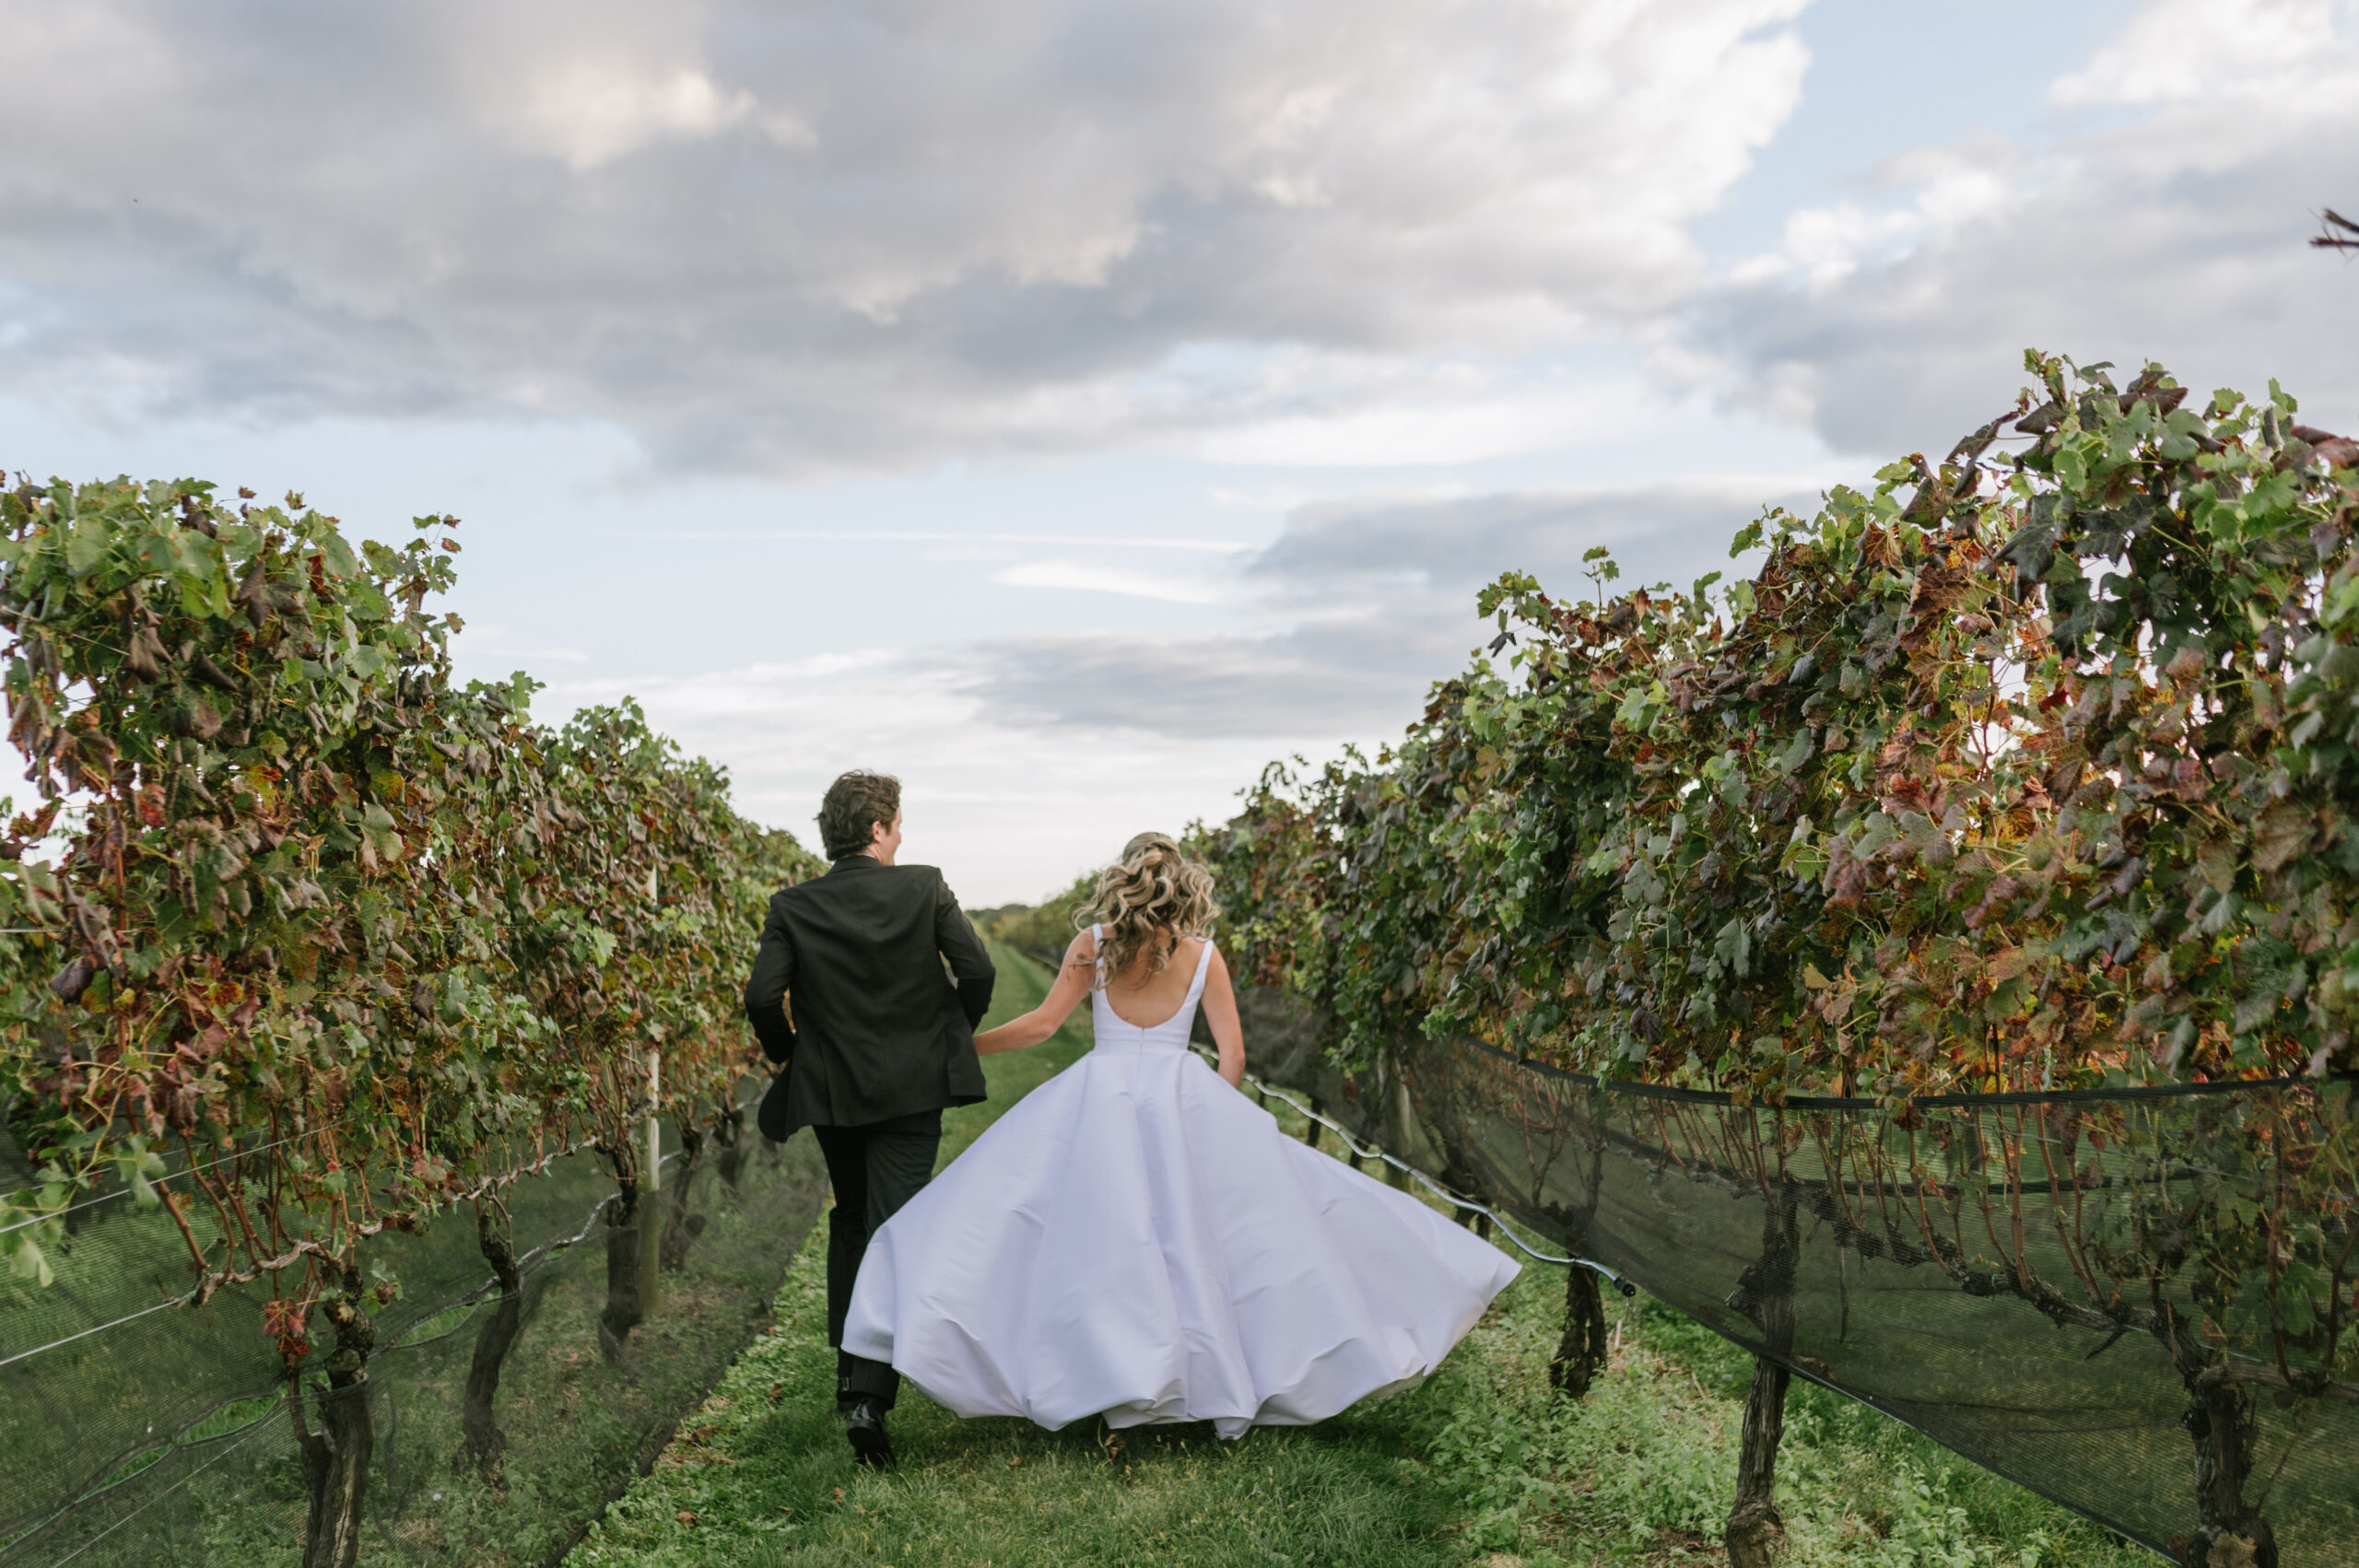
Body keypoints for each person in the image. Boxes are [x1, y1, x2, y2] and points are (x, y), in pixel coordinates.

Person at [840, 832, 1518, 1444]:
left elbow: (1043, 1027)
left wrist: (957, 1051)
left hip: (1099, 1095)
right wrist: (1211, 1123)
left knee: (1085, 1238)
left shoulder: (1094, 946)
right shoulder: (1205, 957)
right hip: (1179, 1095)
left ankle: (1104, 1374)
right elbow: (1234, 1056)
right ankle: (1190, 1378)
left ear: (1124, 881)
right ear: (1184, 885)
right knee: (1200, 1249)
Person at [742, 769, 995, 1469]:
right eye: (898, 821)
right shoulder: (926, 885)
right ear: (879, 829)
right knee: (897, 1225)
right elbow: (976, 971)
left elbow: (763, 998)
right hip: (914, 1090)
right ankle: (867, 1398)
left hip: (834, 1093)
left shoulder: (792, 905)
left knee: (853, 1217)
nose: (903, 832)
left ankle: (852, 1378)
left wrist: (797, 1058)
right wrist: (947, 1036)